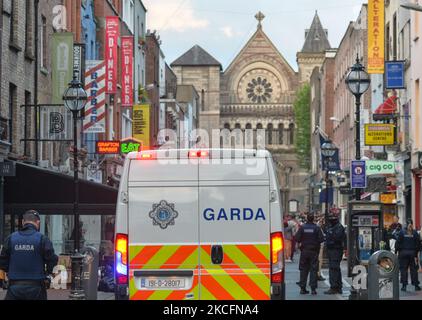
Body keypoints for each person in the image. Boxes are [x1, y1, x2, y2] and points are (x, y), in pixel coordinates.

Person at [0, 210, 58, 300]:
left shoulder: (11, 238)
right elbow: (52, 260)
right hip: (37, 287)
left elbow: (2, 261)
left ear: (23, 222)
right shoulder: (42, 239)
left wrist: (11, 269)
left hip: (14, 287)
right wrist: (47, 273)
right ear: (38, 223)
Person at [295, 212, 325, 295]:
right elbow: (321, 239)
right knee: (313, 270)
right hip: (314, 252)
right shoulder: (317, 228)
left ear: (307, 218)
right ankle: (313, 289)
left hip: (304, 251)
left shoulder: (302, 228)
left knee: (303, 270)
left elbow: (297, 238)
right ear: (313, 219)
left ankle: (302, 288)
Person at [324, 211, 346, 295]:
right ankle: (337, 286)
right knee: (335, 268)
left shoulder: (339, 227)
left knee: (334, 268)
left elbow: (336, 238)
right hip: (332, 250)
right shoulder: (331, 226)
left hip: (336, 250)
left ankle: (334, 287)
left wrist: (330, 235)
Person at [396, 219, 421, 292]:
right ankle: (416, 286)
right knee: (414, 270)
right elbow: (418, 244)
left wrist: (397, 252)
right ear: (412, 224)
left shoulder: (401, 232)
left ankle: (404, 286)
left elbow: (397, 243)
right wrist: (416, 254)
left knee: (403, 269)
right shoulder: (415, 233)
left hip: (403, 253)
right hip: (412, 254)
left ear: (406, 224)